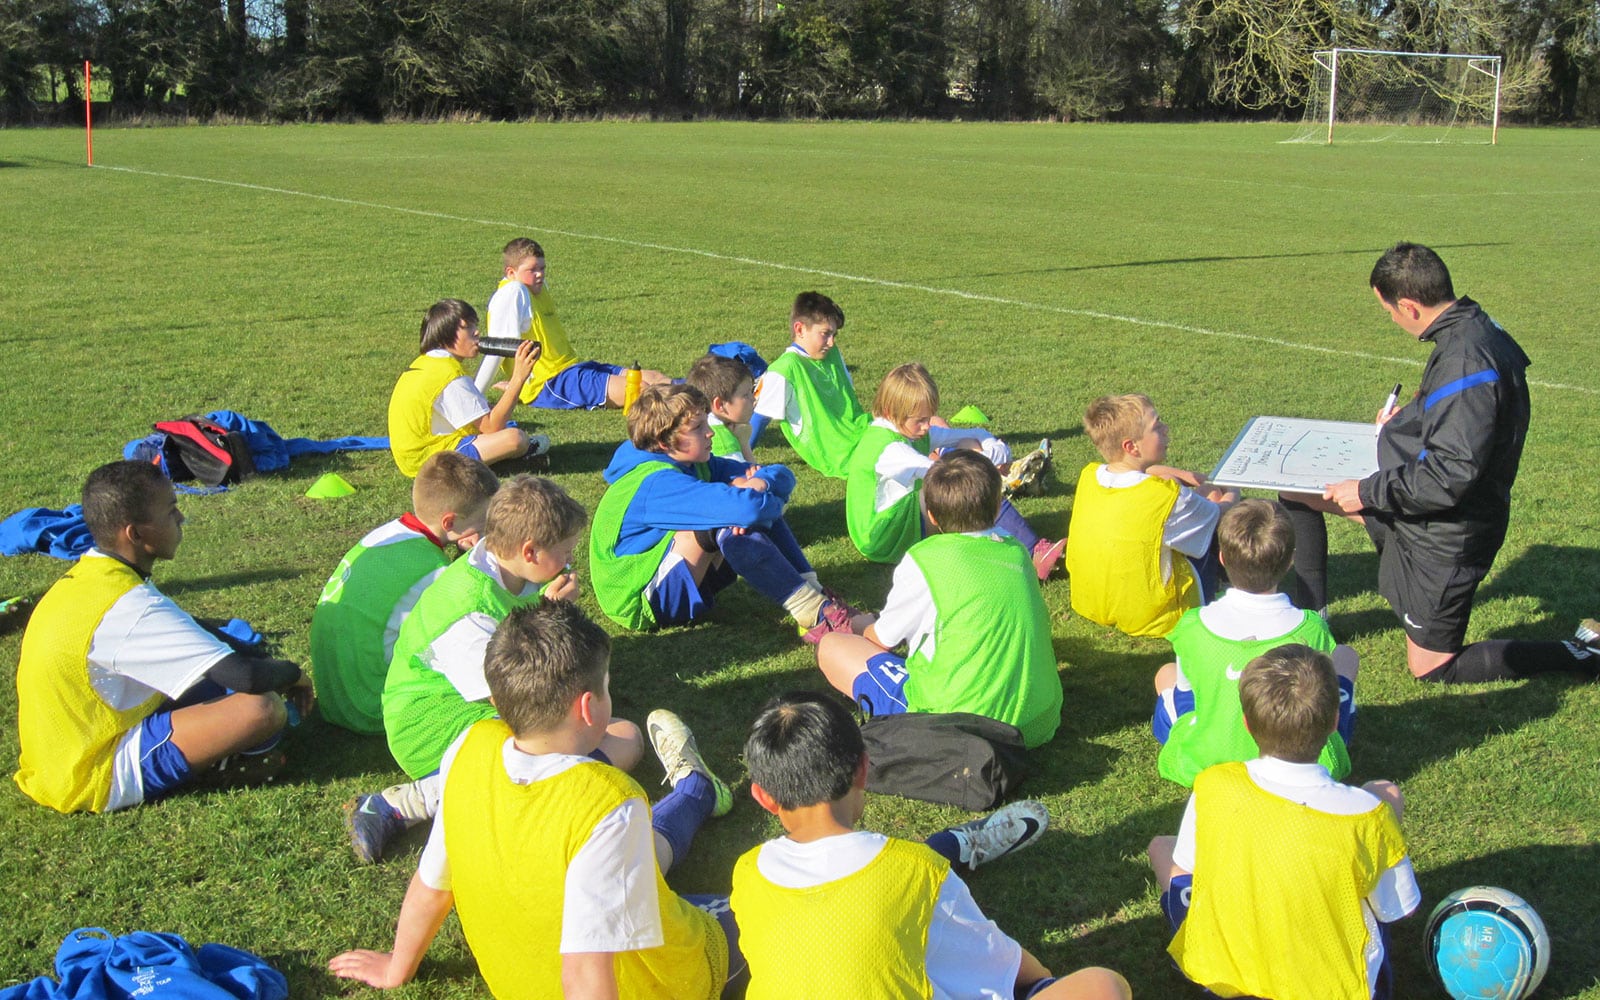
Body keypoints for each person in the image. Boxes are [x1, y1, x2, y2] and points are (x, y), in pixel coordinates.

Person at [329, 600, 742, 996]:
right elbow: (585, 973)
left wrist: (396, 966)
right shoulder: (608, 801)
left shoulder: (469, 748)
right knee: (766, 910)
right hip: (654, 986)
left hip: (520, 982)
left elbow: (432, 885)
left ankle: (695, 789)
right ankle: (695, 789)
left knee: (633, 856)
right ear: (587, 707)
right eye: (607, 688)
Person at [1280, 242, 1599, 683]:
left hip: (1447, 528)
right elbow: (1458, 421)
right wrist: (1404, 423)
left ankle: (1580, 654)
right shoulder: (1469, 327)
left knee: (1430, 667)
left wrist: (1365, 491)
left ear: (1409, 305)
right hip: (1424, 507)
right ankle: (1313, 619)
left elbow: (1450, 475)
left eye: (1388, 310)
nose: (1390, 319)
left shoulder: (1466, 359)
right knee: (1300, 492)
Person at [731, 691, 1131, 1000]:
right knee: (1104, 986)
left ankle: (954, 844)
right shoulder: (917, 871)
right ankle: (955, 846)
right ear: (863, 769)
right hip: (924, 891)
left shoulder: (746, 873)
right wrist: (1039, 983)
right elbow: (1000, 964)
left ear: (763, 797)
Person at [351, 476, 642, 864]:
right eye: (566, 551)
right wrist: (548, 617)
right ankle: (406, 803)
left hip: (481, 703)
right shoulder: (468, 612)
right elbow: (517, 697)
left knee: (617, 734)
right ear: (531, 551)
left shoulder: (506, 568)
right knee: (613, 736)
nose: (571, 562)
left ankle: (544, 786)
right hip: (433, 725)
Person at [13, 461, 313, 814]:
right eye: (171, 511)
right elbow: (244, 677)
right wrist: (294, 673)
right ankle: (218, 768)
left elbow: (191, 628)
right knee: (260, 708)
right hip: (91, 770)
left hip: (62, 751)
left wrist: (251, 654)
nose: (181, 518)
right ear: (135, 534)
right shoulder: (130, 607)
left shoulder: (94, 574)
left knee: (227, 676)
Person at [1148, 644, 1420, 1000]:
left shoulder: (1213, 785)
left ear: (1247, 724)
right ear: (1335, 721)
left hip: (1224, 983)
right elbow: (1396, 908)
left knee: (1163, 848)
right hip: (1332, 989)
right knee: (1385, 792)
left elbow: (1188, 865)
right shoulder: (1365, 815)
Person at [818, 450, 1064, 748]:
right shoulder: (1016, 550)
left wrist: (861, 625)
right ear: (998, 504)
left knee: (832, 647)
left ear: (931, 516)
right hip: (1038, 722)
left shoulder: (925, 559)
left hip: (957, 728)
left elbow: (883, 639)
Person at [590, 383, 863, 643]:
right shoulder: (655, 483)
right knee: (728, 520)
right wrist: (753, 496)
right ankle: (813, 613)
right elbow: (748, 509)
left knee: (741, 504)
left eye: (707, 422)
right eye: (698, 428)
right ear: (664, 442)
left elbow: (782, 474)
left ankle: (816, 595)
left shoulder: (695, 463)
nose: (710, 433)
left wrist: (762, 483)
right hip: (637, 600)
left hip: (669, 572)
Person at [1152, 499, 1357, 788]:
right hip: (1299, 756)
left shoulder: (1193, 625)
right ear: (1290, 561)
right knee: (1346, 656)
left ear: (1222, 557)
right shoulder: (1311, 627)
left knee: (1165, 675)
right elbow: (1320, 697)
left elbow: (1188, 693)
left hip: (1209, 761)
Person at [311, 452, 500, 735]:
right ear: (450, 522)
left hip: (332, 696)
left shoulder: (387, 536)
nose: (486, 531)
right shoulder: (432, 572)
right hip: (372, 706)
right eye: (482, 523)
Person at [847, 362, 1063, 577]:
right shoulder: (889, 449)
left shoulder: (908, 430)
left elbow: (974, 433)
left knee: (967, 447)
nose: (926, 426)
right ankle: (1033, 550)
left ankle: (1004, 544)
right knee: (963, 485)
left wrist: (991, 449)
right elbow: (943, 474)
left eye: (928, 418)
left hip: (901, 517)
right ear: (890, 412)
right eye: (920, 420)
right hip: (881, 537)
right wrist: (985, 470)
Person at [1065, 393, 1235, 638]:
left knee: (1181, 492)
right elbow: (1220, 512)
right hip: (1155, 617)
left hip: (1091, 601)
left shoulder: (1089, 475)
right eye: (1157, 426)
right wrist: (1231, 487)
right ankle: (1225, 583)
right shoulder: (1166, 499)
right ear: (1131, 446)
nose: (1166, 429)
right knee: (1214, 497)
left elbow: (1143, 473)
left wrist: (1182, 474)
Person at [473, 237, 670, 408]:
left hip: (571, 369)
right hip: (552, 382)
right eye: (532, 270)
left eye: (542, 268)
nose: (540, 274)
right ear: (511, 273)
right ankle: (695, 405)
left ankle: (700, 389)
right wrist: (475, 398)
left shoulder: (537, 288)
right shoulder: (513, 292)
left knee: (656, 378)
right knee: (640, 390)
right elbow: (497, 351)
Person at [388, 298, 541, 477]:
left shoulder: (428, 362)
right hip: (428, 461)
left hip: (412, 458)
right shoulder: (449, 374)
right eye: (467, 327)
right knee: (515, 439)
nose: (477, 332)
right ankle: (518, 459)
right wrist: (518, 377)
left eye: (475, 325)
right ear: (446, 333)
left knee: (497, 424)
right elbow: (492, 427)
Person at [749, 291, 870, 479]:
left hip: (864, 430)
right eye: (825, 334)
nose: (832, 342)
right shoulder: (784, 370)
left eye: (834, 334)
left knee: (929, 426)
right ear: (800, 330)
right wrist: (742, 462)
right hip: (843, 454)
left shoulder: (831, 353)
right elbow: (761, 418)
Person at [685, 352, 759, 463]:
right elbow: (753, 478)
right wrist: (744, 444)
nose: (753, 399)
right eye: (746, 394)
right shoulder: (725, 445)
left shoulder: (691, 421)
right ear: (720, 405)